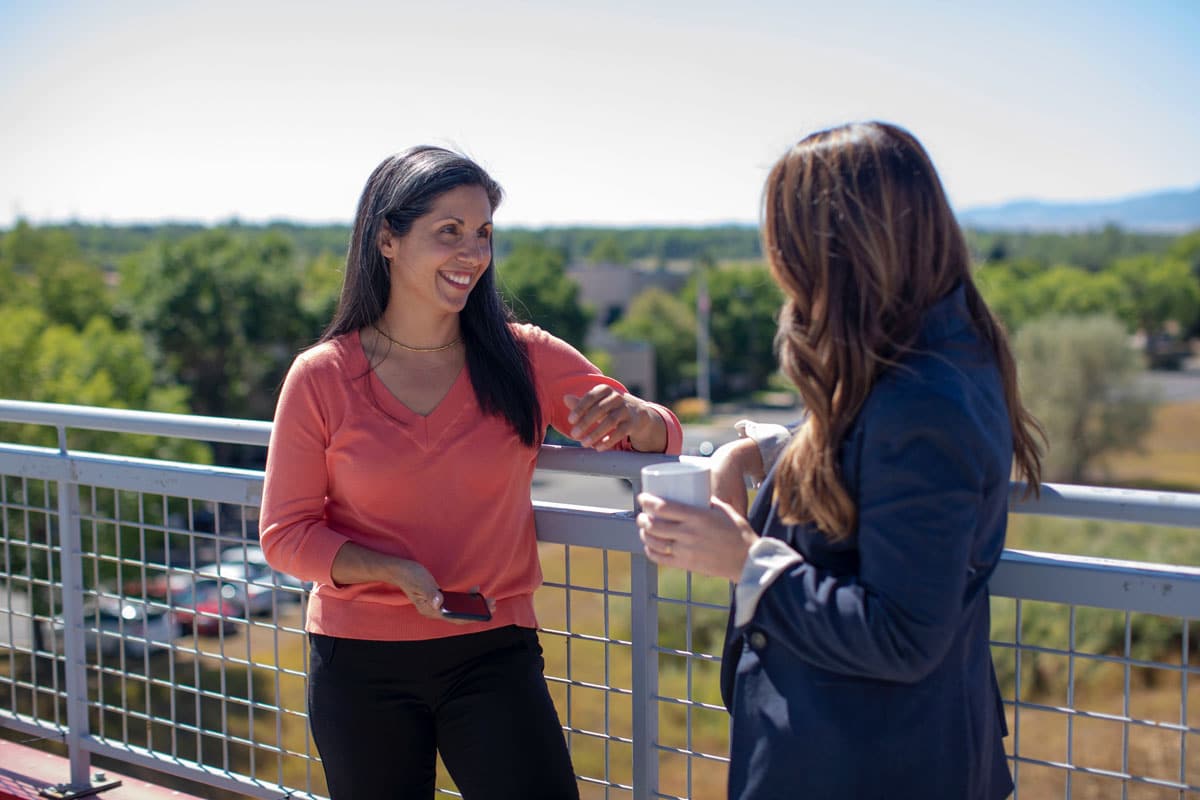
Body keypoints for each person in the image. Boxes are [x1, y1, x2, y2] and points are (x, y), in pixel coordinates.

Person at [259, 146, 683, 800]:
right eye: (448, 232)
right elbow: (285, 534)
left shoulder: (524, 357)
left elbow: (657, 437)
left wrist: (637, 417)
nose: (473, 253)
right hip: (357, 663)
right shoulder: (322, 376)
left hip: (494, 653)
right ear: (387, 240)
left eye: (483, 233)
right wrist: (391, 572)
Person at [636, 121, 1043, 799]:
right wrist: (767, 451)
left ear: (836, 249)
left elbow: (903, 635)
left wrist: (744, 561)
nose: (779, 264)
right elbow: (869, 439)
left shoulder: (925, 399)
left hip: (869, 763)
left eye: (786, 241)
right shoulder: (936, 352)